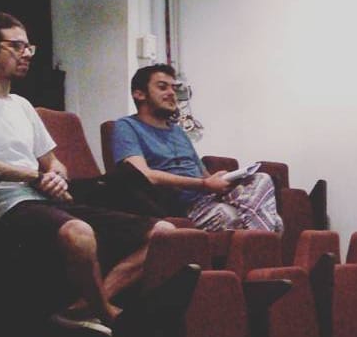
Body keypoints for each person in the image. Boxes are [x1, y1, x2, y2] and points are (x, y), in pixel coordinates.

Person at [0, 12, 173, 337]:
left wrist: (55, 176)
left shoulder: (22, 105)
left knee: (164, 233)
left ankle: (84, 307)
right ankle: (111, 317)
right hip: (4, 203)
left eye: (29, 48)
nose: (25, 54)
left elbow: (54, 163)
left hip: (42, 198)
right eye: (16, 46)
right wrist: (29, 174)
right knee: (79, 233)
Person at [111, 64, 282, 233]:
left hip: (206, 197)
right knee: (236, 216)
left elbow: (204, 175)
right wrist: (203, 184)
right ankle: (262, 246)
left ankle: (256, 245)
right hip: (179, 205)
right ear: (139, 94)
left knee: (261, 179)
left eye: (173, 88)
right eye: (163, 87)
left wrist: (221, 181)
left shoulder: (177, 131)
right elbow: (144, 175)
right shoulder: (126, 126)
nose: (172, 93)